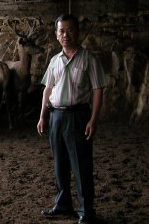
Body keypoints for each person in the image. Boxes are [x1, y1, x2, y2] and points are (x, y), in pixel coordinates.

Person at [37, 14, 107, 224]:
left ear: (77, 32)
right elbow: (47, 89)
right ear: (56, 35)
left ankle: (86, 210)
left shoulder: (89, 59)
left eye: (69, 30)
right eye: (61, 31)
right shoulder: (54, 60)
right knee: (60, 164)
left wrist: (93, 120)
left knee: (81, 164)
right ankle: (63, 204)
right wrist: (42, 116)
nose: (65, 35)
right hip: (55, 116)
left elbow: (97, 90)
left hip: (78, 116)